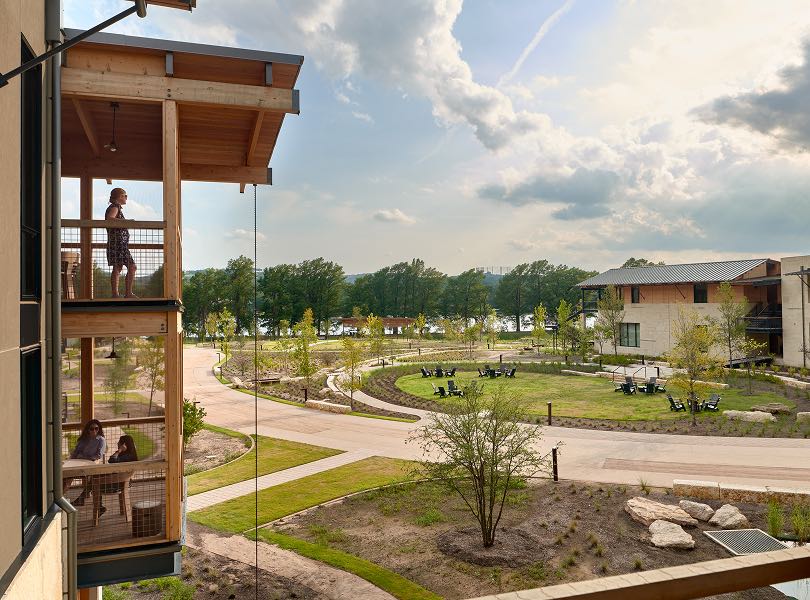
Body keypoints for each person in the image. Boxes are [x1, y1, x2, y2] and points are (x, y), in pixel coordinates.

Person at [105, 188, 137, 298]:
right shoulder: (115, 207)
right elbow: (110, 219)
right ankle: (127, 293)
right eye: (125, 195)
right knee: (131, 267)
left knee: (118, 268)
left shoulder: (115, 207)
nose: (126, 198)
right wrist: (126, 222)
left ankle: (117, 294)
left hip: (117, 244)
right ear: (119, 197)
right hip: (118, 244)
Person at [97, 434, 139, 516]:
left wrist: (119, 450)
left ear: (124, 444)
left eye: (119, 442)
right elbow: (110, 460)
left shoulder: (127, 456)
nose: (117, 443)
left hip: (118, 485)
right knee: (95, 479)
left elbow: (112, 460)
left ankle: (97, 506)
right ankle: (94, 504)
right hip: (123, 482)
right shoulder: (129, 454)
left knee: (95, 483)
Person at [69, 419, 106, 506]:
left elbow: (98, 456)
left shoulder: (101, 440)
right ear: (87, 430)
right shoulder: (84, 439)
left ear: (99, 429)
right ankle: (60, 496)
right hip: (78, 463)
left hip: (90, 464)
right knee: (67, 477)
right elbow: (76, 452)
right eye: (92, 429)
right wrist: (71, 460)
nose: (94, 431)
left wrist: (83, 457)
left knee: (93, 479)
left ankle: (81, 499)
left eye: (96, 428)